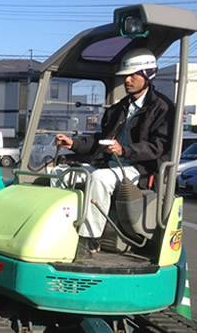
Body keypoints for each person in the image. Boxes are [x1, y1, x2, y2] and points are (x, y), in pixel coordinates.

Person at [54, 48, 174, 258]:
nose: (127, 80)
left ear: (148, 75)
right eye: (125, 76)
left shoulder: (162, 108)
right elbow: (100, 139)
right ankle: (61, 231)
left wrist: (124, 150)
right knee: (60, 173)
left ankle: (89, 239)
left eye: (133, 75)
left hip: (140, 168)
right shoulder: (120, 107)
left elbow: (159, 147)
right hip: (110, 162)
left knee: (100, 178)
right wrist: (73, 143)